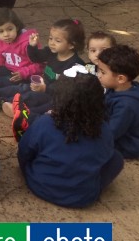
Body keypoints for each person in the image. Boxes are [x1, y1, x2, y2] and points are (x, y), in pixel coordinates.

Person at [17, 74, 124, 208]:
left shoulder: (44, 123)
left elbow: (24, 151)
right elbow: (106, 156)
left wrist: (26, 168)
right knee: (117, 158)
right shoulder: (104, 129)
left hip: (39, 185)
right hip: (83, 197)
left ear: (59, 100)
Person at [8, 18, 87, 118]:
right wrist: (32, 46)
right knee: (22, 89)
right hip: (42, 87)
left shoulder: (76, 65)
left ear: (71, 45)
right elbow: (36, 58)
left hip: (57, 97)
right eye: (50, 38)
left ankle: (23, 114)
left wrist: (45, 89)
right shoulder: (51, 52)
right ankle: (7, 103)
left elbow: (67, 90)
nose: (52, 43)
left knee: (35, 99)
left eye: (57, 41)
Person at [97, 45, 139, 158]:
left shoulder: (126, 105)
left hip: (129, 145)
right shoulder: (119, 88)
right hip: (119, 133)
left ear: (121, 78)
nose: (99, 75)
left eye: (103, 72)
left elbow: (112, 132)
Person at [0, 8, 43, 105]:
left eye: (10, 29)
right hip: (9, 71)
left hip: (25, 76)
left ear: (17, 26)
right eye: (1, 31)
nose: (6, 34)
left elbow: (40, 65)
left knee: (10, 88)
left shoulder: (29, 42)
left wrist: (23, 73)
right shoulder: (0, 41)